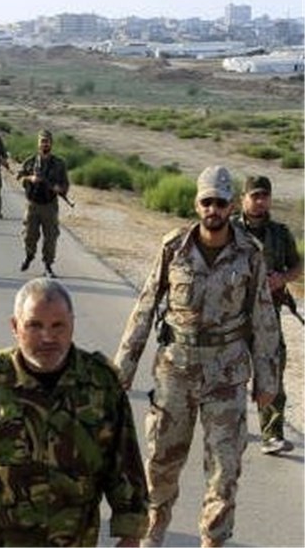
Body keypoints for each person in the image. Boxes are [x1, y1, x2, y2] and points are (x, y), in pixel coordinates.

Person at [112, 166, 280, 547]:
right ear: (196, 204)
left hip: (227, 375)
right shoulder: (174, 248)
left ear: (231, 206)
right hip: (176, 370)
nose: (213, 210)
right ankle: (152, 534)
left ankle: (213, 541)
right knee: (161, 464)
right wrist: (122, 369)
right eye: (207, 202)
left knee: (225, 470)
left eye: (220, 202)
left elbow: (263, 318)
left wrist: (267, 380)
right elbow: (145, 307)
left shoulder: (250, 254)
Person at [0, 278, 149, 547]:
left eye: (58, 325)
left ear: (72, 324)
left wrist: (131, 534)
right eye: (34, 325)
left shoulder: (101, 384)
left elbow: (125, 462)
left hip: (72, 539)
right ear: (15, 326)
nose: (48, 337)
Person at [232, 175, 302, 455]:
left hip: (268, 316)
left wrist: (281, 279)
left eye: (264, 196)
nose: (260, 201)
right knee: (230, 373)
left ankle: (272, 435)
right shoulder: (229, 229)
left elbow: (297, 266)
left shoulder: (280, 233)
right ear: (243, 199)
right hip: (232, 315)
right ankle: (230, 426)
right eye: (255, 196)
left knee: (271, 371)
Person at [16, 129, 69, 278]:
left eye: (47, 142)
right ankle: (29, 255)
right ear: (38, 143)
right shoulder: (30, 161)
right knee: (29, 235)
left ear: (51, 144)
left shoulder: (59, 164)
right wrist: (30, 179)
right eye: (42, 141)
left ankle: (48, 265)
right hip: (32, 204)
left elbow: (65, 184)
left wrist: (60, 189)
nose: (45, 144)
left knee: (50, 237)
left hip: (50, 205)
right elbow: (19, 177)